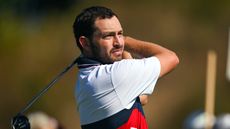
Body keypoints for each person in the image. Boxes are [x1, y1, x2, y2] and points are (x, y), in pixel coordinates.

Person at [73, 6, 179, 129]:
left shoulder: (85, 80)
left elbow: (142, 98)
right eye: (108, 36)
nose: (118, 42)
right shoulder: (113, 76)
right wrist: (127, 41)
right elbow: (171, 58)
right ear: (85, 43)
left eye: (120, 34)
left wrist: (119, 49)